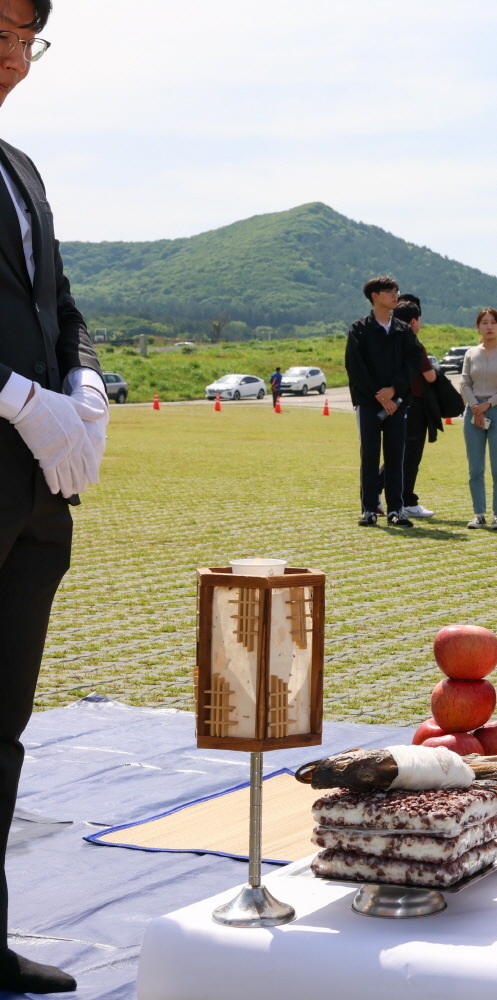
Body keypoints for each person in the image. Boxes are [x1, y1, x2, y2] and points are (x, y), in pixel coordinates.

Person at [0, 4, 109, 992]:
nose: (8, 55)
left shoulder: (21, 168)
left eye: (24, 38)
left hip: (32, 493)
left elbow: (59, 304)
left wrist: (81, 384)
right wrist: (9, 394)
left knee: (1, 721)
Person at [346, 274, 424, 527]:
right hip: (369, 403)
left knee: (395, 457)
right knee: (369, 455)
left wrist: (394, 391)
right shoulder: (359, 329)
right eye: (390, 291)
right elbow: (356, 367)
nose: (395, 295)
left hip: (398, 402)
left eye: (397, 290)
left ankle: (396, 510)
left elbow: (412, 363)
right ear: (375, 296)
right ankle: (369, 509)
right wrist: (380, 396)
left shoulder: (403, 331)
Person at [460, 308, 497, 530]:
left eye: (493, 322)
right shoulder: (471, 353)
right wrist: (475, 407)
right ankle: (479, 514)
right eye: (485, 323)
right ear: (478, 327)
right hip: (473, 413)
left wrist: (487, 404)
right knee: (475, 468)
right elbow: (464, 382)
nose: (489, 326)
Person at [388, 295, 442, 518]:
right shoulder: (414, 344)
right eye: (418, 320)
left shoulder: (388, 343)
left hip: (393, 403)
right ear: (412, 322)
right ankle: (406, 501)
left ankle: (375, 496)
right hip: (414, 406)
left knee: (395, 454)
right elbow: (430, 377)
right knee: (410, 456)